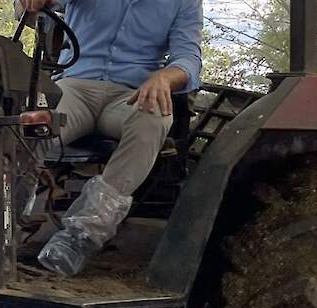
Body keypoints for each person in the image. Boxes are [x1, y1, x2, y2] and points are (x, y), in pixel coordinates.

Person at [20, 0, 203, 276]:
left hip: (130, 93)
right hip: (73, 85)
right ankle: (4, 218)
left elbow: (188, 56)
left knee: (154, 117)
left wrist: (165, 77)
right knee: (30, 123)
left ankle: (82, 234)